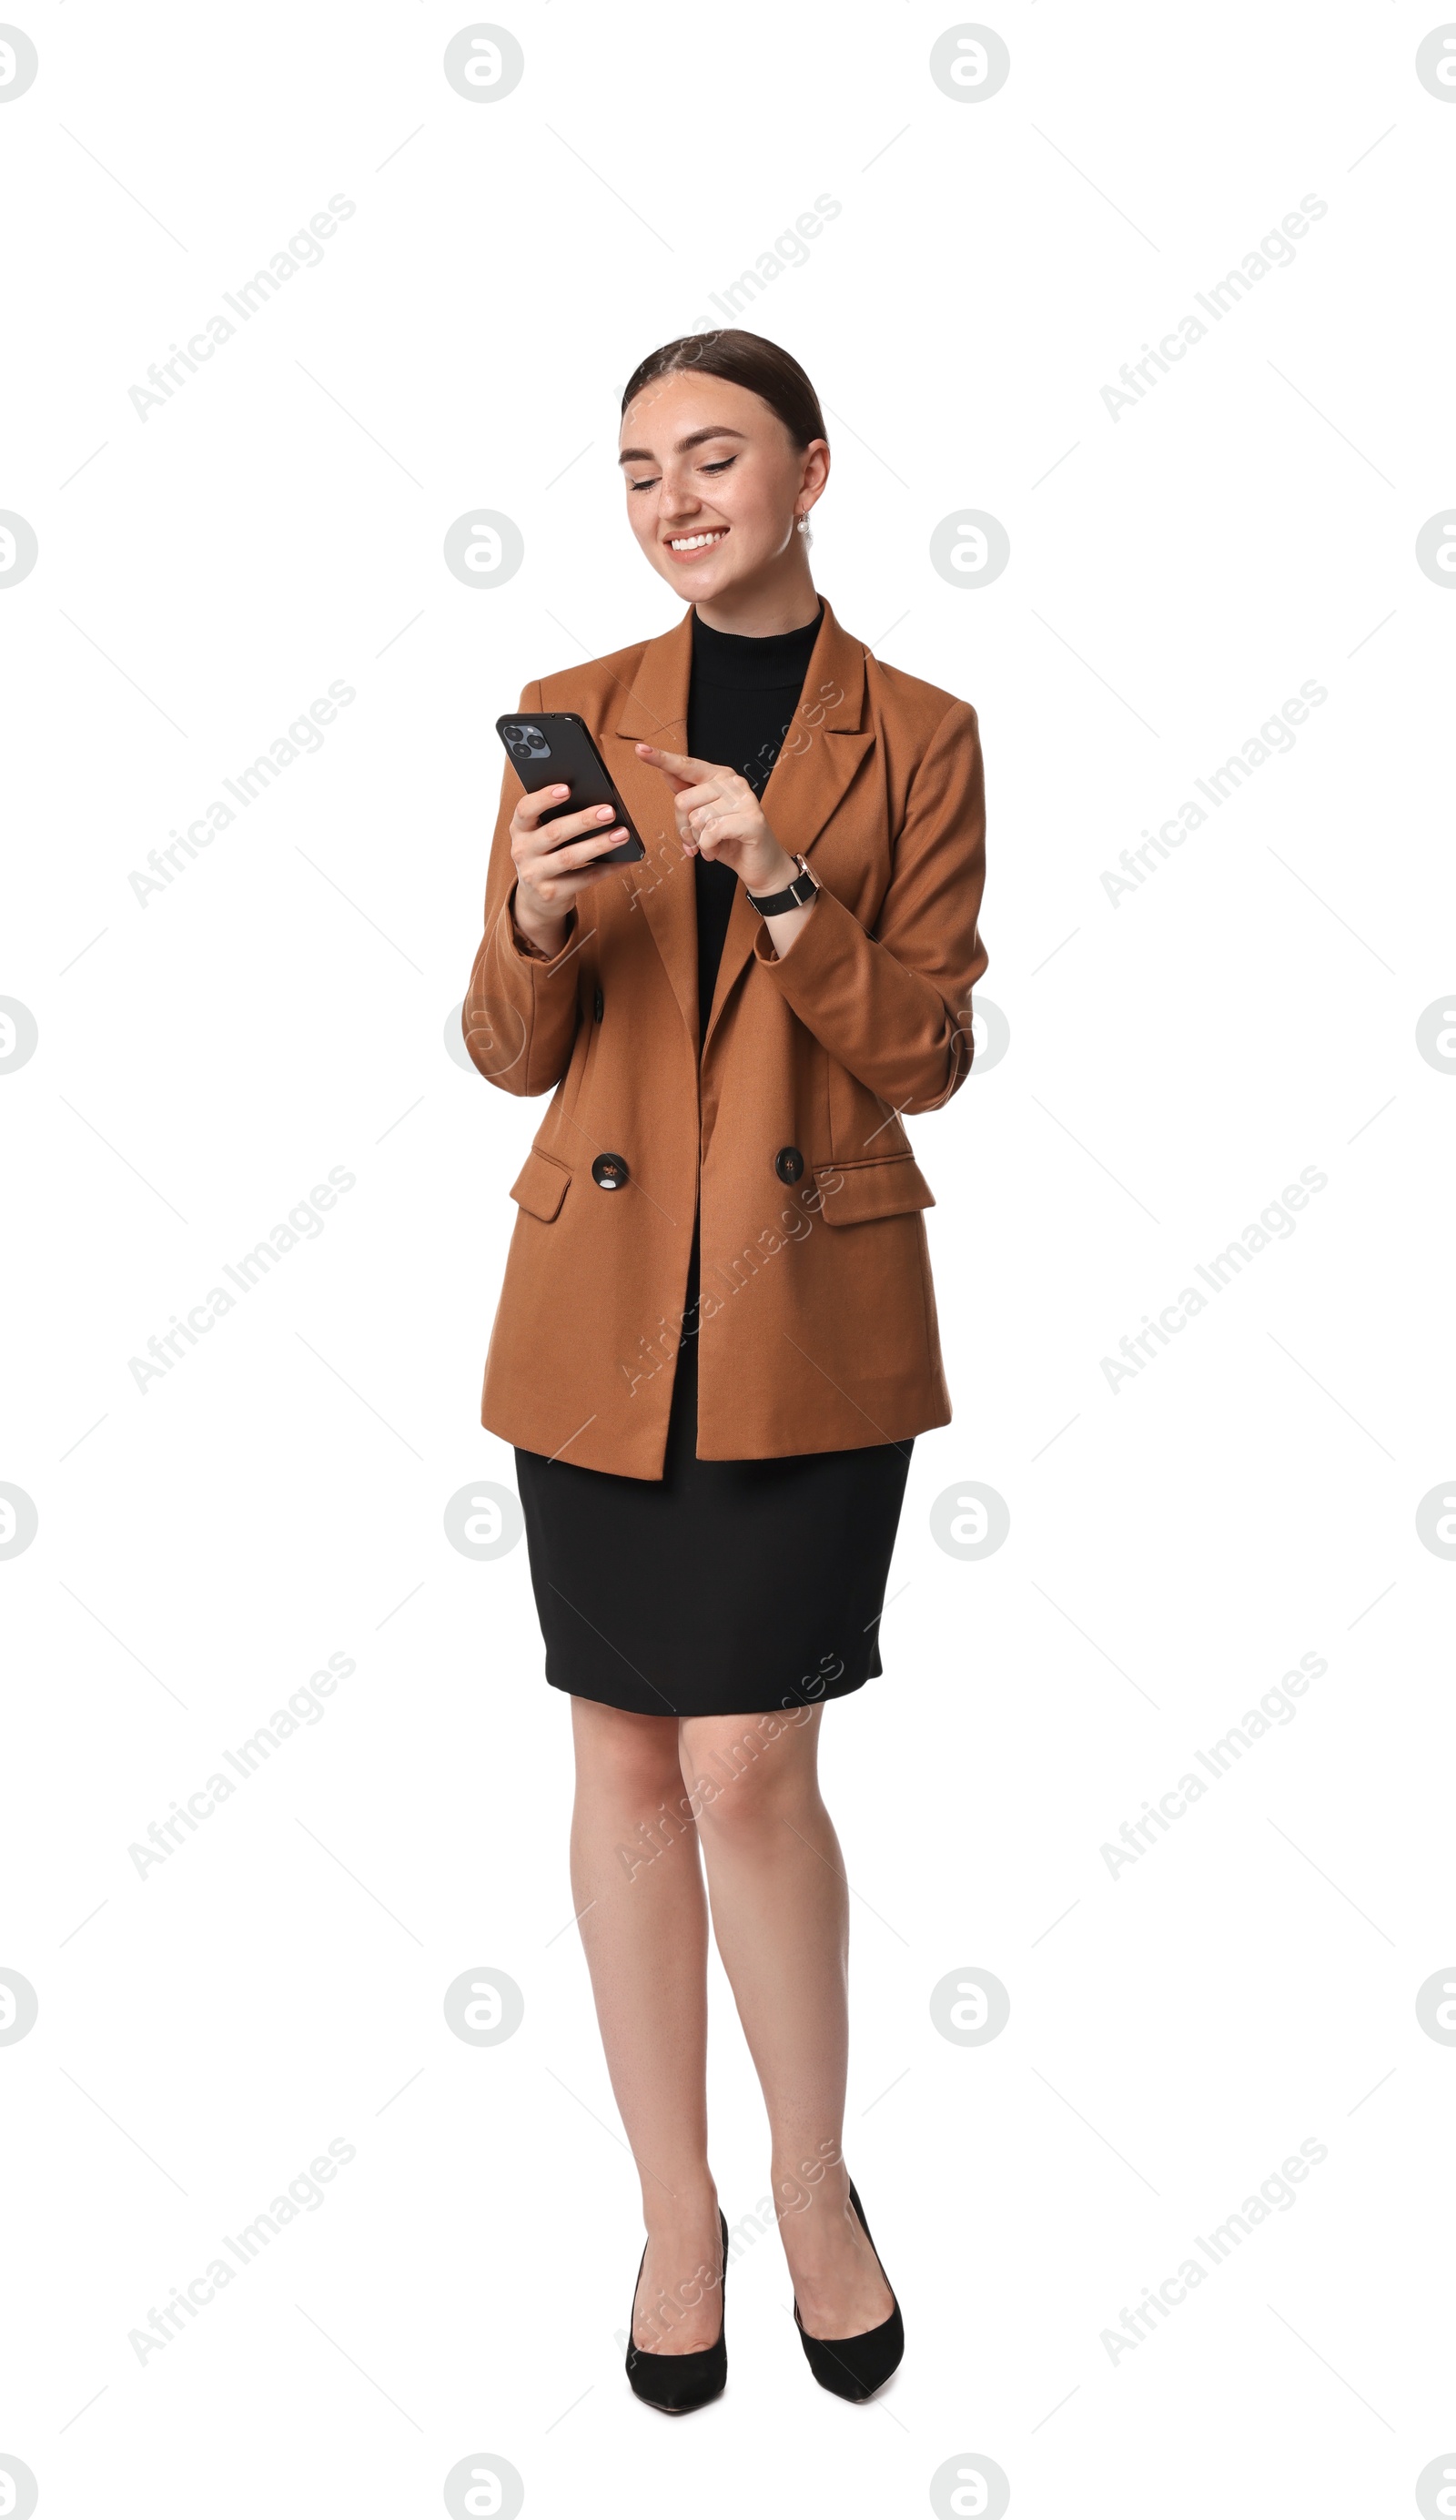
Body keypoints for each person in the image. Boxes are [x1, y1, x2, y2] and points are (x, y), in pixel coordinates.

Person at [462, 329, 988, 2411]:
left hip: (802, 1309)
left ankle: (813, 2179)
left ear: (810, 472)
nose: (673, 499)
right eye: (635, 471)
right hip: (595, 1308)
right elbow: (508, 1046)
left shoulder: (920, 730)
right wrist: (527, 905)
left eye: (712, 458)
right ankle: (674, 2210)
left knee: (746, 1760)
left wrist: (776, 874)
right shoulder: (572, 713)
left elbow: (926, 1052)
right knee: (617, 1762)